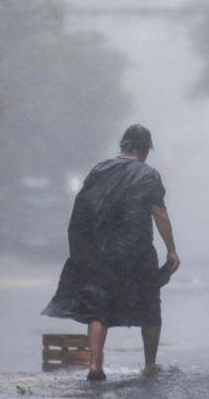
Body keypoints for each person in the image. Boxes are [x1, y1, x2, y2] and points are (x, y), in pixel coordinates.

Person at [42, 124, 180, 381]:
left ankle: (95, 365)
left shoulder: (99, 170)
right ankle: (150, 364)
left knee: (99, 308)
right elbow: (159, 213)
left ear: (123, 146)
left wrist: (82, 251)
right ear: (145, 149)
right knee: (150, 306)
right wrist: (171, 250)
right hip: (138, 252)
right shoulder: (149, 175)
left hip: (102, 253)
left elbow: (82, 210)